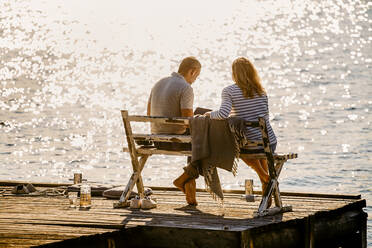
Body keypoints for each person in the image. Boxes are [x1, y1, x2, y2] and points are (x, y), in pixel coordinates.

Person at [207, 57, 277, 207]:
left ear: (234, 73)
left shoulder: (229, 91)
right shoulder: (262, 91)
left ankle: (265, 178)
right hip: (269, 142)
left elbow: (222, 114)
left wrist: (208, 115)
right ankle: (267, 186)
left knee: (237, 149)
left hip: (249, 144)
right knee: (261, 154)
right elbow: (264, 115)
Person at [147, 56, 201, 205]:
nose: (195, 80)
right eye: (197, 76)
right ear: (192, 71)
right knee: (208, 141)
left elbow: (148, 113)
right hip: (175, 141)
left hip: (157, 140)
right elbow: (188, 121)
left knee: (200, 140)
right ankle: (183, 179)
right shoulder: (186, 88)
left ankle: (188, 183)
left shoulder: (158, 83)